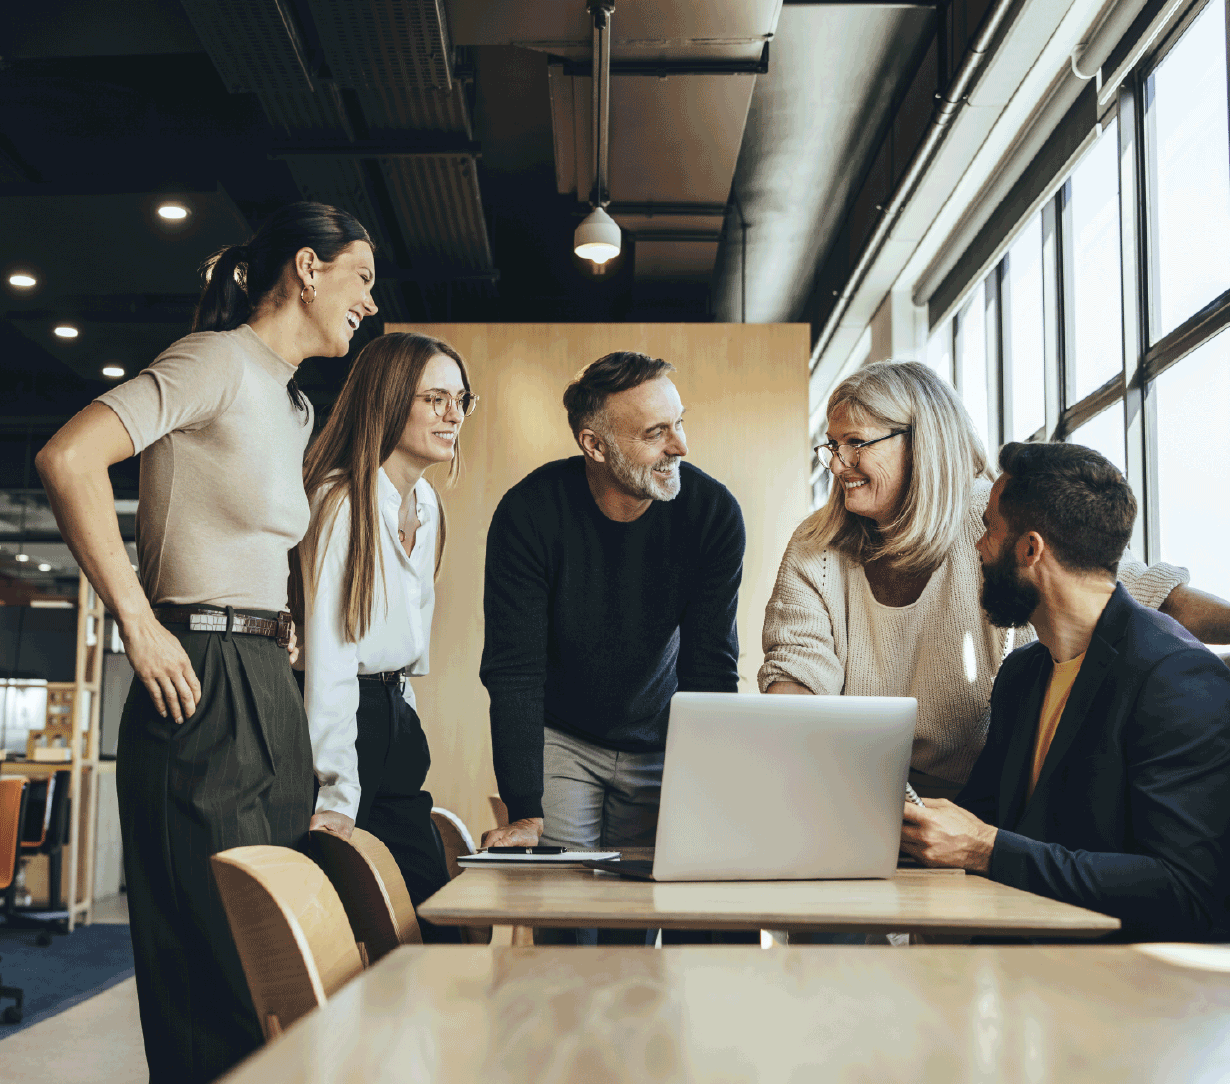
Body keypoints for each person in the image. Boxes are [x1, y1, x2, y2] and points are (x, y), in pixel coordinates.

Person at [35, 201, 378, 1084]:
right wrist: (136, 621)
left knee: (276, 967)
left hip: (266, 681)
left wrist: (282, 628)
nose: (370, 303)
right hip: (201, 679)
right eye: (361, 279)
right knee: (215, 976)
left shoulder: (295, 405)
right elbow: (68, 459)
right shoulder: (212, 361)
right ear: (308, 267)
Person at [760, 361, 1230, 799]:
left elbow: (1144, 596)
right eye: (833, 445)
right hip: (859, 791)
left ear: (920, 443)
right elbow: (795, 678)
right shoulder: (818, 544)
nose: (839, 464)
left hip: (990, 804)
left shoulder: (995, 520)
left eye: (856, 443)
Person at [900, 442, 1230, 941]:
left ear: (1030, 550)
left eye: (989, 528)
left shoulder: (1176, 677)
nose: (978, 546)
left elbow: (1187, 891)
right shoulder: (1022, 675)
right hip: (1021, 978)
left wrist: (986, 848)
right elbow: (982, 821)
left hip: (1130, 995)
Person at [479, 351, 750, 945]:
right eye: (656, 433)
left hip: (663, 739)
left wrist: (712, 792)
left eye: (680, 422)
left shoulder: (712, 515)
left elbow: (711, 667)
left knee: (639, 926)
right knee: (569, 927)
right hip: (564, 740)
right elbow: (514, 671)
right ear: (595, 446)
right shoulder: (530, 513)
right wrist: (526, 807)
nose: (680, 445)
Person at [294, 331, 475, 943]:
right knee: (353, 932)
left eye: (461, 400)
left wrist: (405, 714)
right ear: (390, 400)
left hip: (394, 717)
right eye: (434, 399)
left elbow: (406, 646)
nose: (453, 415)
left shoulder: (425, 504)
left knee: (431, 920)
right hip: (345, 724)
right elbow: (329, 660)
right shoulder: (341, 501)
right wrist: (338, 790)